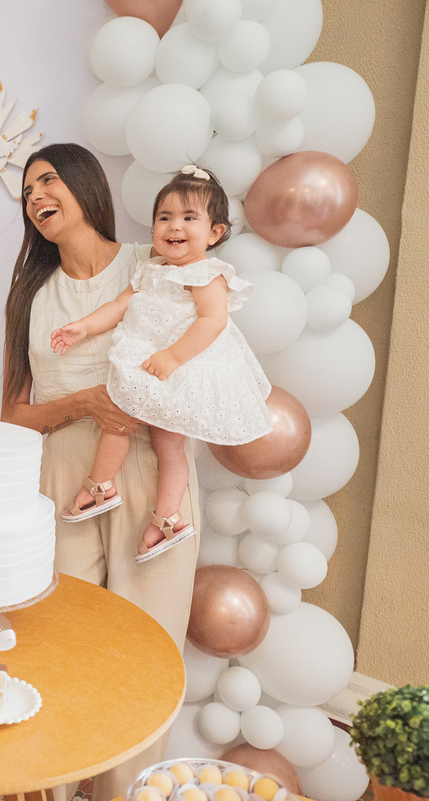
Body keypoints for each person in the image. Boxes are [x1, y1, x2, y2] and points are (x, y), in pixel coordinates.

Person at [0, 143, 199, 799]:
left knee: (146, 649)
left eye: (47, 180)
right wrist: (83, 404)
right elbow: (13, 415)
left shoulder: (153, 264)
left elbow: (209, 343)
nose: (35, 196)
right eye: (27, 190)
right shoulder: (31, 294)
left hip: (151, 473)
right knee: (55, 644)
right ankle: (50, 787)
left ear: (85, 184)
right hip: (62, 478)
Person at [50, 166, 271, 561]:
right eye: (164, 217)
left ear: (215, 232)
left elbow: (213, 321)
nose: (175, 226)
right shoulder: (151, 269)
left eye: (189, 218)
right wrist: (84, 327)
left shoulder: (207, 275)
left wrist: (173, 356)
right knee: (122, 417)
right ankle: (121, 495)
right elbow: (120, 305)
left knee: (167, 443)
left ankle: (154, 510)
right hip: (150, 360)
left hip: (181, 366)